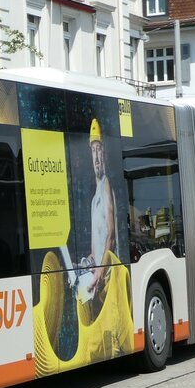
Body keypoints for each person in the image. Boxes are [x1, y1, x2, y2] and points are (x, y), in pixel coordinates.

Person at [77, 118, 116, 302]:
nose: (97, 156)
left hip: (108, 278)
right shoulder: (94, 200)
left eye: (99, 149)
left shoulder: (106, 185)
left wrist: (100, 271)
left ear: (104, 153)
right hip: (99, 280)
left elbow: (111, 234)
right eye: (93, 150)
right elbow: (97, 248)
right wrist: (85, 264)